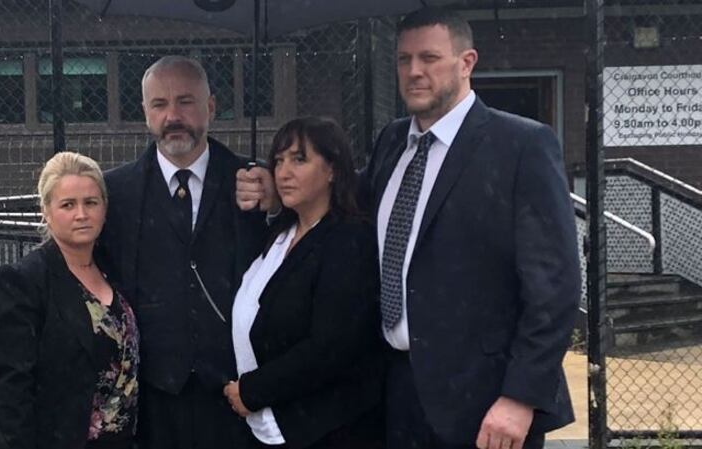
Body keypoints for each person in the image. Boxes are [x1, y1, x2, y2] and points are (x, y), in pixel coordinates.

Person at [237, 7, 581, 449]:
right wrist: (277, 190)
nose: (414, 72)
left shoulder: (520, 146)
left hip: (485, 401)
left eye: (429, 58)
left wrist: (520, 397)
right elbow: (343, 200)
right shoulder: (392, 142)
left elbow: (555, 287)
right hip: (396, 395)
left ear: (467, 62)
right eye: (403, 60)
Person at [96, 55, 267, 449]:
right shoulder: (114, 193)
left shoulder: (256, 185)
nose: (173, 115)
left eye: (186, 101)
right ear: (145, 113)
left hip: (235, 394)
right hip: (151, 397)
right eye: (160, 104)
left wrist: (272, 203)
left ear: (210, 107)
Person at [223, 117, 384, 449]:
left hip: (326, 428)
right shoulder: (282, 232)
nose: (283, 173)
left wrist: (252, 390)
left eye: (299, 160)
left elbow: (330, 347)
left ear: (333, 170)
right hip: (271, 425)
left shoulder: (348, 241)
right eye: (278, 161)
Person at [0, 152, 139, 449]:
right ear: (46, 210)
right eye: (68, 205)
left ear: (104, 209)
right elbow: (11, 391)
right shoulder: (23, 282)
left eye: (90, 203)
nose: (81, 214)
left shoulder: (116, 271)